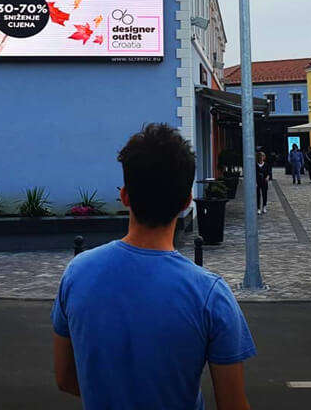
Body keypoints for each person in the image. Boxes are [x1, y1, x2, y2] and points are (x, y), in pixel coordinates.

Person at [52, 123, 255, 410]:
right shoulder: (210, 295)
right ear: (186, 203)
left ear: (124, 196)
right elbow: (233, 404)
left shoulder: (78, 273)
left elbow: (65, 378)